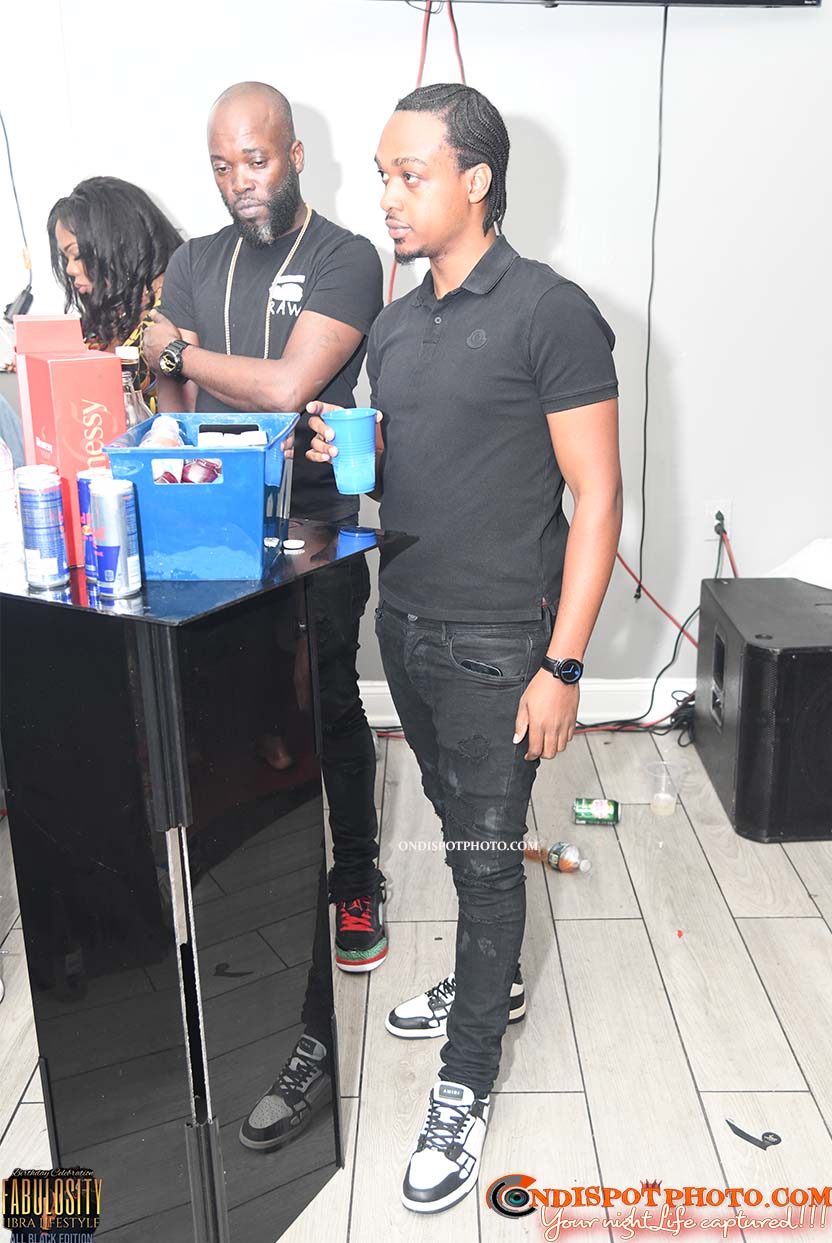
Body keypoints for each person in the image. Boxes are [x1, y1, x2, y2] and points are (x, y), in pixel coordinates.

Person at [308, 83, 623, 1214]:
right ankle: (493, 984)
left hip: (502, 643)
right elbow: (420, 470)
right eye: (383, 176)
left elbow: (598, 497)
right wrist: (349, 456)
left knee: (487, 860)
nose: (388, 197)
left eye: (411, 174)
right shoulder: (395, 325)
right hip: (404, 622)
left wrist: (565, 665)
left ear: (476, 180)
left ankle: (466, 1076)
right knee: (459, 829)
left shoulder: (549, 311)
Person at [141, 82, 385, 1146]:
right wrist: (171, 377)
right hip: (214, 527)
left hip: (317, 526)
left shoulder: (346, 258)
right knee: (241, 726)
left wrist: (178, 353)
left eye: (257, 159)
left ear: (295, 154)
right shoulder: (193, 261)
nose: (240, 181)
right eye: (221, 165)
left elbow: (289, 389)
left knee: (328, 705)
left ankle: (356, 876)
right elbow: (172, 414)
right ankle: (257, 909)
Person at [48, 176, 183, 411]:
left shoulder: (176, 308)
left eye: (77, 254)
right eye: (65, 257)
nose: (70, 269)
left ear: (119, 243)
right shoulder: (105, 315)